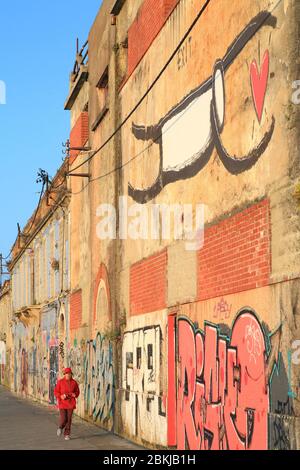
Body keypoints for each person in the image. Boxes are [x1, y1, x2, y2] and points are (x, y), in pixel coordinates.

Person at [54, 367, 80, 441]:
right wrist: (61, 396)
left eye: (69, 374)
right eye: (66, 374)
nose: (68, 375)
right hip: (62, 403)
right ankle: (60, 427)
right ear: (64, 374)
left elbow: (77, 392)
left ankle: (67, 434)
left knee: (69, 419)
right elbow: (56, 392)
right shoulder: (60, 382)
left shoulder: (74, 383)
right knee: (64, 418)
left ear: (71, 374)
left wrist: (75, 394)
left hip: (71, 403)